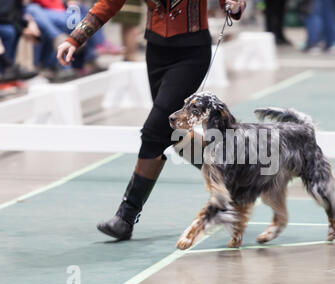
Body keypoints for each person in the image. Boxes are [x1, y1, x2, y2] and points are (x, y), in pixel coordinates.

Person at [57, 0, 246, 240]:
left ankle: (126, 216)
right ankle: (234, 182)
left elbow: (230, 3)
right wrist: (75, 39)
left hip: (191, 53)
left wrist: (235, 6)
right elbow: (109, 3)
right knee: (174, 135)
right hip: (156, 52)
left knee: (153, 133)